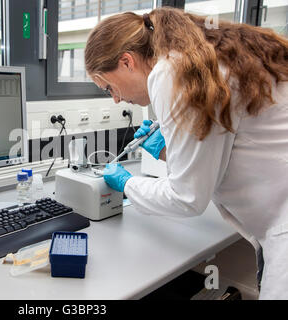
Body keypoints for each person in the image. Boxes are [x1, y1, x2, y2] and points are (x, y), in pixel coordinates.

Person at [84, 7, 288, 299]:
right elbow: (228, 150)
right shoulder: (203, 56)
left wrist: (127, 184)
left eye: (108, 88)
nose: (116, 99)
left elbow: (187, 198)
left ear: (127, 61)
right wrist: (167, 151)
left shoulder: (172, 73)